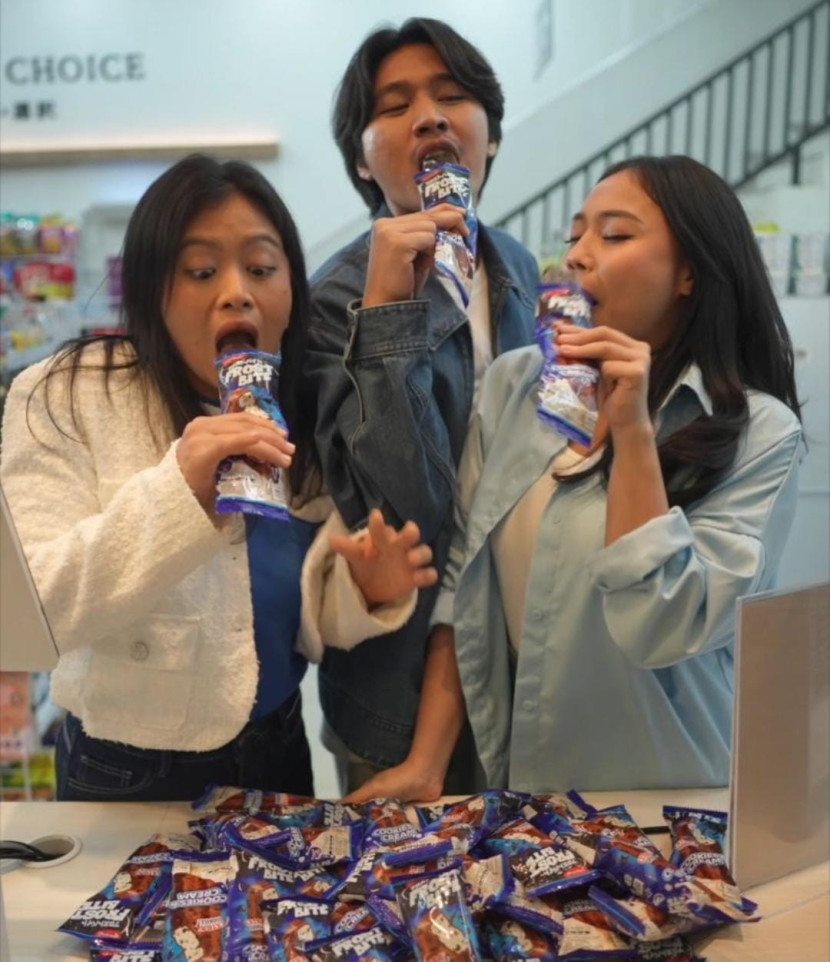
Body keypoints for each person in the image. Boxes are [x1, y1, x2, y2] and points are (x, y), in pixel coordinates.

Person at [350, 154, 804, 799]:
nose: (579, 256)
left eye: (615, 235)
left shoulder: (761, 433)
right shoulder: (517, 384)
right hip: (525, 797)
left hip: (674, 804)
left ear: (690, 273)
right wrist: (427, 763)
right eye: (575, 237)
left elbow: (661, 625)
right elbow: (463, 583)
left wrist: (634, 431)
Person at [0, 154, 438, 801]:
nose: (236, 291)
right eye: (201, 271)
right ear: (151, 291)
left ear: (292, 293)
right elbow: (28, 616)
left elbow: (291, 612)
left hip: (278, 752)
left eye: (262, 268)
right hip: (126, 769)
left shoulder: (301, 406)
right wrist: (178, 488)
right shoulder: (65, 394)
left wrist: (363, 590)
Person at [306, 18, 539, 795]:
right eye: (397, 104)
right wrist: (386, 312)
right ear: (361, 161)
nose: (431, 116)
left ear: (491, 136)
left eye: (451, 95)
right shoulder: (337, 295)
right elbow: (399, 509)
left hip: (518, 667)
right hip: (397, 699)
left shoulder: (520, 271)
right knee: (410, 904)